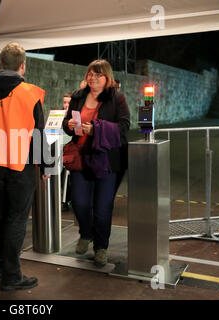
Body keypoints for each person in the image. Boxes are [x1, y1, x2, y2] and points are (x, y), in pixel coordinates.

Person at [0, 42, 50, 291]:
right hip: (21, 165)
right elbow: (38, 134)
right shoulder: (30, 93)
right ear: (22, 65)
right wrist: (46, 167)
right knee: (16, 219)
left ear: (0, 62)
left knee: (1, 212)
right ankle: (11, 275)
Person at [62, 59, 130, 267]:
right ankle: (86, 233)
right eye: (90, 74)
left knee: (102, 208)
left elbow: (124, 127)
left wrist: (97, 129)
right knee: (80, 203)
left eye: (97, 75)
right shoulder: (77, 96)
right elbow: (66, 124)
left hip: (106, 161)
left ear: (106, 77)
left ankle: (101, 247)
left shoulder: (117, 99)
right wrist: (70, 125)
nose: (92, 78)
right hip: (80, 158)